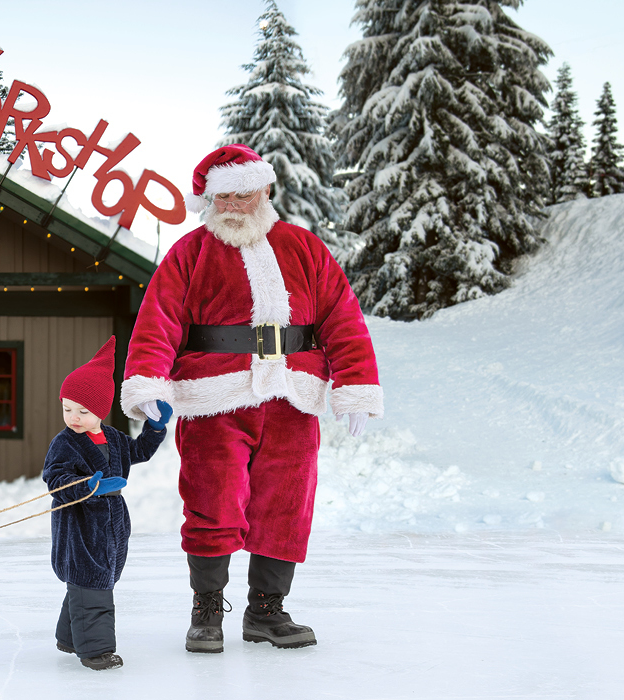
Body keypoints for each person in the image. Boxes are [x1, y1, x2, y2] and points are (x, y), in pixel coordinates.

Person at [120, 144, 384, 654]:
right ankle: (207, 606)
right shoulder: (189, 254)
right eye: (224, 197)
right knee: (211, 502)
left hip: (293, 396)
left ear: (265, 190)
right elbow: (158, 320)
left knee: (286, 505)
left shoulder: (305, 248)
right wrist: (150, 380)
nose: (236, 204)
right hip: (213, 398)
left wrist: (354, 388)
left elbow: (342, 320)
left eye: (245, 193)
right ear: (209, 201)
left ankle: (267, 609)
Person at [43, 336, 171, 671]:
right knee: (92, 582)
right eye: (67, 408)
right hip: (81, 523)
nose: (73, 417)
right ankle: (96, 651)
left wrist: (155, 428)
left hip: (113, 522)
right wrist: (89, 486)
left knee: (92, 581)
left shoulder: (113, 438)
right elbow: (54, 480)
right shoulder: (65, 443)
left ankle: (70, 637)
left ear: (101, 409)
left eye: (83, 411)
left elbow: (138, 452)